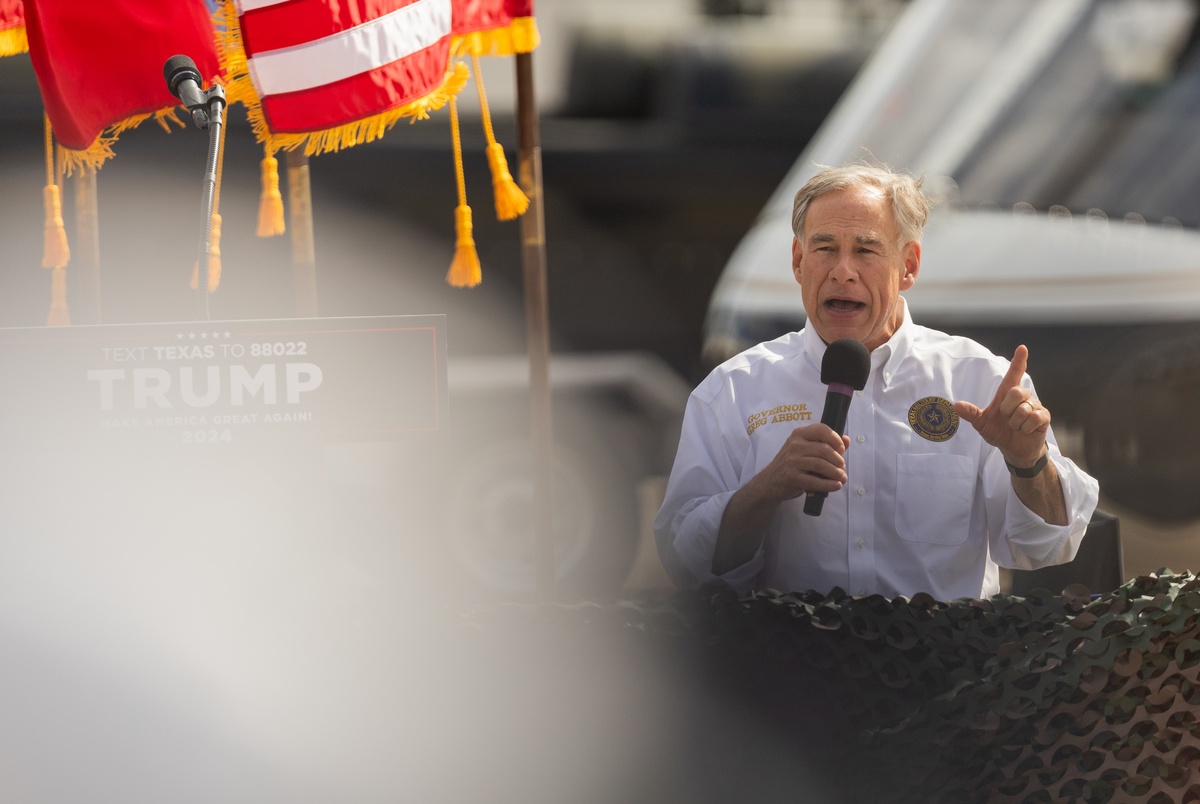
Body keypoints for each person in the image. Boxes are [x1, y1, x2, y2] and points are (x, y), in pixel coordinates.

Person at [654, 162, 1099, 601]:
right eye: (825, 248)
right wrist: (766, 488)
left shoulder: (980, 379)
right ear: (797, 260)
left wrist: (1028, 462)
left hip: (948, 668)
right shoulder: (733, 390)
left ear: (908, 265)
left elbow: (1047, 548)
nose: (843, 271)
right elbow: (685, 565)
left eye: (866, 251)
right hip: (789, 666)